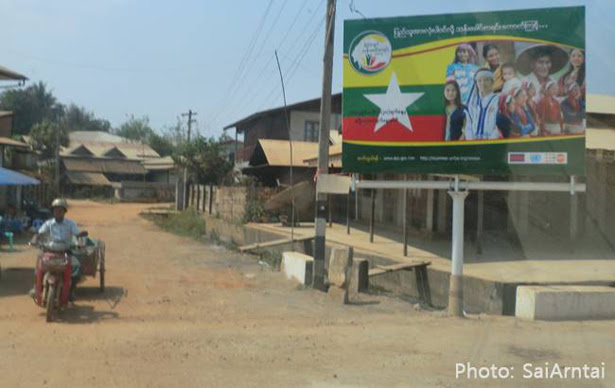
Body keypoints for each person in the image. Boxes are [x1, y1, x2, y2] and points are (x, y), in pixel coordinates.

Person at [30, 198, 87, 301]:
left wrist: (80, 241)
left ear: (64, 211)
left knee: (76, 267)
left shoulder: (70, 224)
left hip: (65, 252)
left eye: (60, 210)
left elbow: (78, 234)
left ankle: (71, 290)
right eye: (55, 210)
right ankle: (36, 287)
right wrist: (35, 239)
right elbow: (39, 233)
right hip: (49, 251)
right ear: (53, 211)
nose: (58, 212)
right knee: (38, 266)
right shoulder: (48, 223)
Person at [465, 69, 502, 140]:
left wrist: (489, 142)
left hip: (491, 142)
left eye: (486, 80)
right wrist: (471, 141)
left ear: (492, 82)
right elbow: (468, 125)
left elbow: (498, 126)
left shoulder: (498, 100)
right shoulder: (473, 103)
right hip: (473, 142)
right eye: (479, 80)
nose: (482, 83)